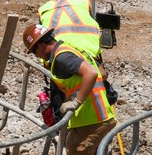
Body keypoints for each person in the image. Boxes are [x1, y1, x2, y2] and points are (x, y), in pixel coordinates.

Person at [23, 23, 116, 154]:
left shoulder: (62, 57)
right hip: (98, 116)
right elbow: (103, 74)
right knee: (73, 145)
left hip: (93, 120)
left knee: (75, 149)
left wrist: (76, 102)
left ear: (41, 46)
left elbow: (91, 73)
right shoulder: (71, 48)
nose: (36, 56)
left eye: (34, 51)